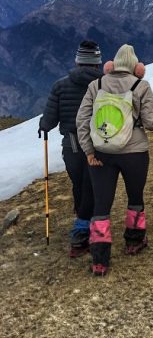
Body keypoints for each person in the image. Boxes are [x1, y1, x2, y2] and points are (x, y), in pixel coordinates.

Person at [75, 45, 153, 276]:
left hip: (101, 153)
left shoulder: (96, 85)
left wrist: (89, 151)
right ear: (136, 67)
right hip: (135, 153)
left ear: (112, 65)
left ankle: (100, 259)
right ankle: (134, 241)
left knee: (101, 204)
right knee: (135, 197)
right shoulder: (141, 86)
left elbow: (82, 119)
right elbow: (152, 122)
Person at [37, 41, 104, 258]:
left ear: (77, 61)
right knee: (92, 185)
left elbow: (50, 120)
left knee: (79, 184)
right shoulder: (104, 84)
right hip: (99, 144)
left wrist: (43, 126)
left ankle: (82, 224)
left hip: (72, 145)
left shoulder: (60, 85)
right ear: (97, 63)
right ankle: (85, 229)